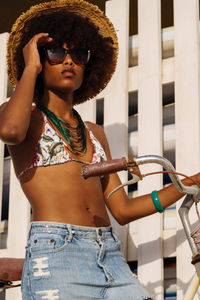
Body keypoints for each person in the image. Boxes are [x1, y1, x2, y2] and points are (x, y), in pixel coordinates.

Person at [0, 0, 199, 299]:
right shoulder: (26, 119)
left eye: (79, 54)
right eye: (56, 52)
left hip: (109, 255)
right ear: (41, 61)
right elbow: (9, 132)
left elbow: (122, 209)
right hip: (56, 255)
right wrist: (30, 68)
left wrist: (191, 183)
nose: (69, 61)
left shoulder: (95, 133)